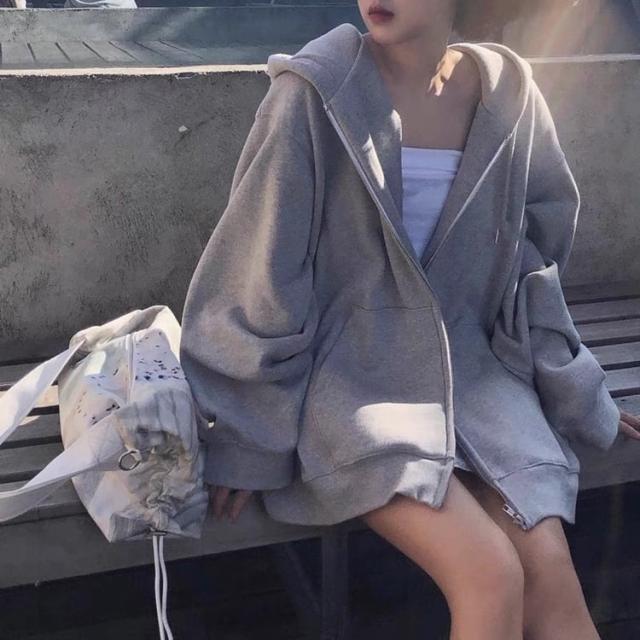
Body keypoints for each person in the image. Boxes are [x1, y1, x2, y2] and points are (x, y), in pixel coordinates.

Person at [180, 2, 640, 638]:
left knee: (551, 574)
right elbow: (258, 272)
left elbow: (532, 270)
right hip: (351, 385)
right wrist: (245, 435)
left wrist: (580, 394)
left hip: (480, 382)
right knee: (489, 574)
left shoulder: (509, 97)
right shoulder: (314, 93)